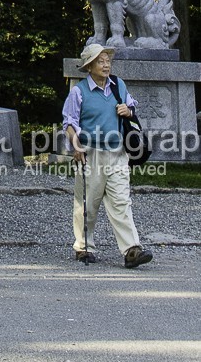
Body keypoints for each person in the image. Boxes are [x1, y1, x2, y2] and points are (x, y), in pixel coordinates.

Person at [62, 40, 153, 268]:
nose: (106, 65)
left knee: (121, 202)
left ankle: (132, 250)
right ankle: (84, 247)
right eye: (100, 61)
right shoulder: (79, 92)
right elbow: (69, 123)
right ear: (89, 66)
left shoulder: (118, 85)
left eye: (107, 60)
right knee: (87, 204)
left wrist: (127, 110)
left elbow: (131, 109)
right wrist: (76, 145)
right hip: (90, 154)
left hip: (118, 152)